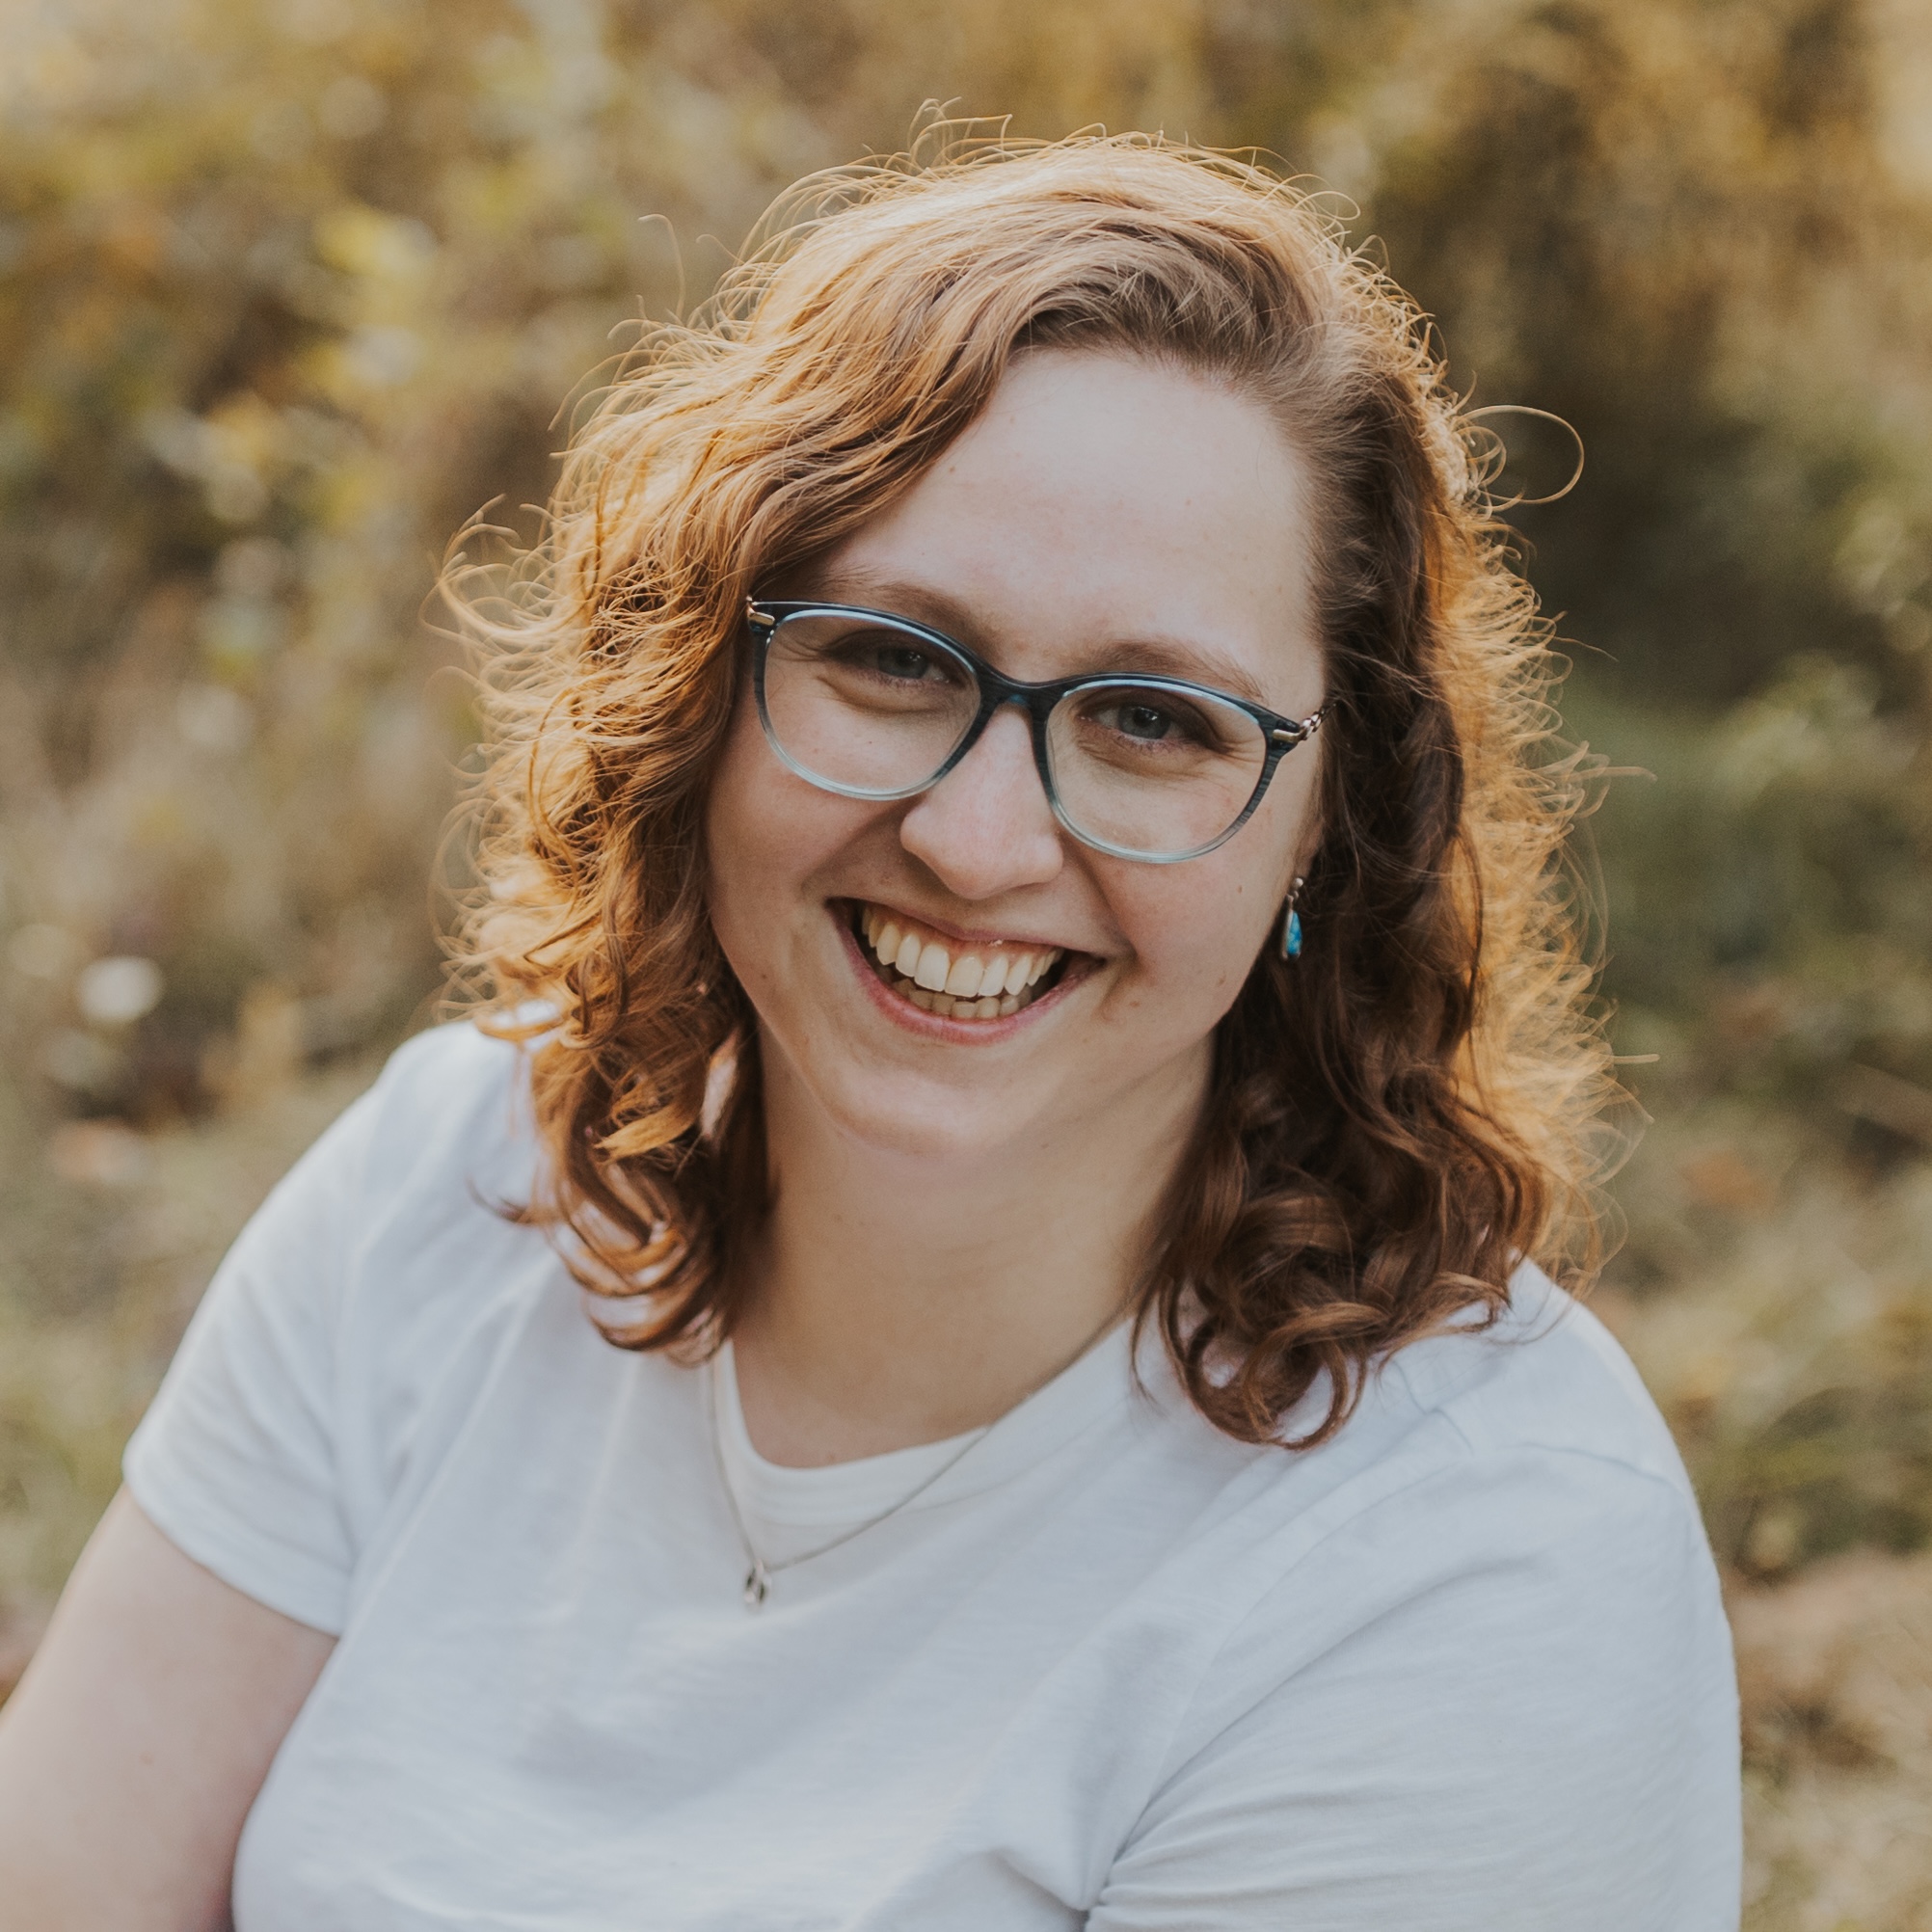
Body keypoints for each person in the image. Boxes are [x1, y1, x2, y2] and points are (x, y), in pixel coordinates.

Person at [0, 136, 1740, 1930]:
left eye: (1153, 720)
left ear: (1328, 826)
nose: (979, 844)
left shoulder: (1474, 1564)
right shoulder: (452, 1189)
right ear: (707, 693)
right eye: (895, 658)